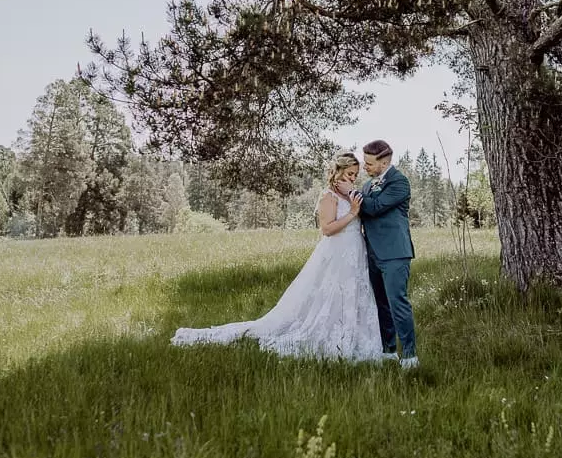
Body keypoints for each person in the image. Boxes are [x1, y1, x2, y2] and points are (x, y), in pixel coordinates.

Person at [170, 152, 384, 361]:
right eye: (348, 174)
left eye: (355, 175)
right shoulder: (328, 196)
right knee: (330, 294)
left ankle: (353, 335)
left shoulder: (352, 194)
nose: (352, 178)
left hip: (355, 251)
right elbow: (327, 229)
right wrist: (352, 213)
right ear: (337, 172)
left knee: (353, 293)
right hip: (336, 252)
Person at [336, 139, 419, 369]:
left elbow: (374, 207)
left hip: (394, 253)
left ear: (384, 162)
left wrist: (350, 191)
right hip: (372, 253)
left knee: (397, 303)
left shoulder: (399, 183)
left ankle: (411, 356)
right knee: (380, 304)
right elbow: (362, 210)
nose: (365, 167)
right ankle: (388, 351)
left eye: (370, 163)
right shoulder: (367, 186)